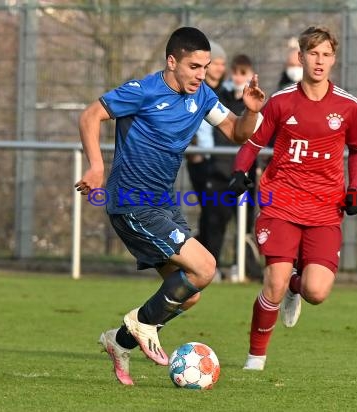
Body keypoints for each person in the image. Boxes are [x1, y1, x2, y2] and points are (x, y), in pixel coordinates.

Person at [74, 27, 265, 385]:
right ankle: (142, 324)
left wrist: (250, 111)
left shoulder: (203, 96)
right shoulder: (143, 91)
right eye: (194, 66)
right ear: (172, 61)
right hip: (133, 202)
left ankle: (119, 340)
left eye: (205, 67)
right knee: (205, 268)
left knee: (186, 295)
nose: (201, 75)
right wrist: (97, 166)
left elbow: (238, 132)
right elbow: (90, 116)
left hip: (162, 204)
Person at [228, 26, 357, 371]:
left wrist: (354, 189)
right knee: (272, 281)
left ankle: (296, 286)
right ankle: (255, 358)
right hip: (280, 201)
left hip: (325, 207)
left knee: (316, 292)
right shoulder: (281, 101)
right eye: (313, 54)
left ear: (334, 59)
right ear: (301, 57)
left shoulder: (348, 106)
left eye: (326, 55)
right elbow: (254, 143)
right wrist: (240, 171)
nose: (319, 61)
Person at [197, 54, 263, 282]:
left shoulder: (256, 102)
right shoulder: (217, 98)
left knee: (243, 223)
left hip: (244, 173)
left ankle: (242, 266)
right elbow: (207, 128)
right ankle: (210, 267)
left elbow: (259, 134)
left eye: (243, 73)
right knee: (214, 220)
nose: (237, 77)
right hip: (218, 170)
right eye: (235, 72)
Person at [186, 40, 227, 195]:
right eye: (216, 63)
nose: (220, 68)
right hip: (200, 160)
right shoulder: (193, 91)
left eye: (223, 64)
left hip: (222, 161)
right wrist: (193, 152)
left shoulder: (226, 93)